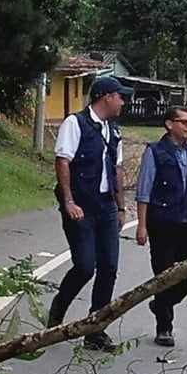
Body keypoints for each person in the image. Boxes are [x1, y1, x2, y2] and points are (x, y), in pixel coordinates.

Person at [48, 76, 134, 352]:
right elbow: (63, 161)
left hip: (106, 205)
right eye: (120, 96)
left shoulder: (113, 130)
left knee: (109, 267)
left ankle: (95, 329)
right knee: (85, 266)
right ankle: (56, 314)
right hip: (81, 205)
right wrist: (69, 200)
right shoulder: (76, 124)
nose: (123, 102)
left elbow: (117, 170)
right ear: (107, 97)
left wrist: (121, 207)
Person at [135, 106, 187, 347]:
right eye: (184, 122)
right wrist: (141, 225)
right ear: (169, 125)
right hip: (161, 224)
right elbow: (144, 190)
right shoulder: (155, 152)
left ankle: (160, 304)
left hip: (185, 223)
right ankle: (164, 327)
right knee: (165, 275)